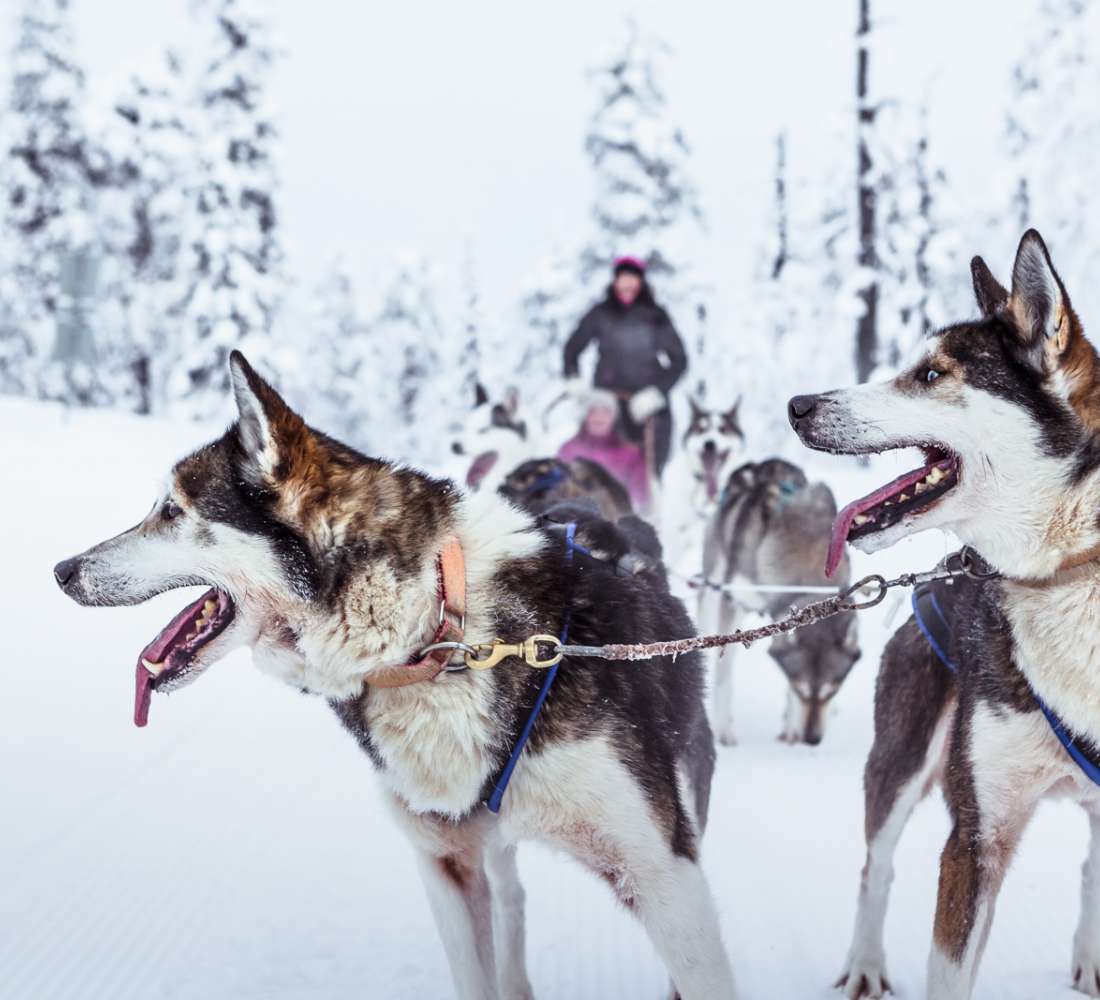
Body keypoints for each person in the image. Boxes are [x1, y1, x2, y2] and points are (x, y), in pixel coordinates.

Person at [562, 256, 686, 478]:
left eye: (633, 278)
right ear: (615, 281)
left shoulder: (656, 316)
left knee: (649, 471)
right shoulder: (600, 314)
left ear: (641, 282)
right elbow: (572, 348)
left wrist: (656, 393)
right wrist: (573, 378)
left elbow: (679, 360)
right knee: (600, 468)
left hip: (648, 409)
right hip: (608, 405)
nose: (628, 283)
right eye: (623, 278)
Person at [557, 388, 649, 507]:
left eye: (605, 412)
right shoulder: (568, 449)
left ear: (614, 418)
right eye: (593, 411)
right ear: (586, 416)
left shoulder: (630, 455)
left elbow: (641, 500)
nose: (599, 417)